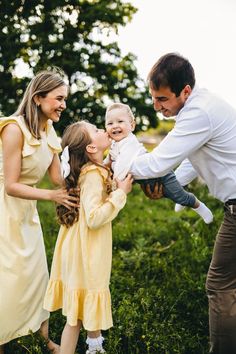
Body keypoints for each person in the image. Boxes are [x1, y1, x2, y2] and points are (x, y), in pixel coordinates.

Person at [129, 52, 236, 354]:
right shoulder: (201, 107)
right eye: (153, 98)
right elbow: (190, 157)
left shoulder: (198, 112)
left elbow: (155, 163)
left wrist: (114, 168)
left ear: (185, 91)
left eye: (162, 99)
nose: (157, 106)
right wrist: (175, 185)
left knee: (220, 285)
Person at [0, 69, 78, 353]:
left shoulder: (48, 130)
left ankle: (43, 342)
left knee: (36, 277)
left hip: (26, 213)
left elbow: (58, 178)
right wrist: (51, 196)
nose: (63, 105)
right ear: (37, 98)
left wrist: (96, 171)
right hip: (4, 211)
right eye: (59, 99)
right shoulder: (13, 129)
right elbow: (10, 185)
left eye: (64, 99)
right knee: (8, 278)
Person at [43, 121, 133, 354]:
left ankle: (95, 346)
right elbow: (93, 218)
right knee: (75, 318)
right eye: (96, 130)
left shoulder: (93, 170)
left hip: (79, 249)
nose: (104, 129)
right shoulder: (93, 174)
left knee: (81, 310)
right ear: (91, 148)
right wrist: (120, 194)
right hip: (86, 253)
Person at [104, 102, 213, 224]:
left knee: (179, 195)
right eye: (110, 123)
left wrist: (113, 186)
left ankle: (196, 204)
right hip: (144, 178)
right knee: (168, 192)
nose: (114, 126)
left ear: (132, 125)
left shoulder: (128, 142)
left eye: (120, 121)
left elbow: (121, 166)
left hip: (161, 174)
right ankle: (180, 195)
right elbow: (109, 160)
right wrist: (103, 166)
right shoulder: (115, 144)